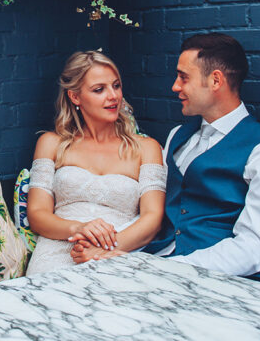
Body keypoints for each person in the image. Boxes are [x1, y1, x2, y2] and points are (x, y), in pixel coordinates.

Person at [74, 33, 260, 282]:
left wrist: (159, 268)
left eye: (184, 77)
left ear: (215, 81)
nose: (175, 86)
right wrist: (107, 245)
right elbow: (161, 214)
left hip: (225, 283)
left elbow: (252, 251)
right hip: (157, 267)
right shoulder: (178, 136)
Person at [25, 50, 166, 275]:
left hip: (118, 251)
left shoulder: (145, 148)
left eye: (116, 86)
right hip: (57, 249)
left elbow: (153, 219)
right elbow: (37, 214)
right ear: (75, 97)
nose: (113, 96)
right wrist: (79, 228)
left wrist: (104, 248)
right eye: (99, 90)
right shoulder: (51, 143)